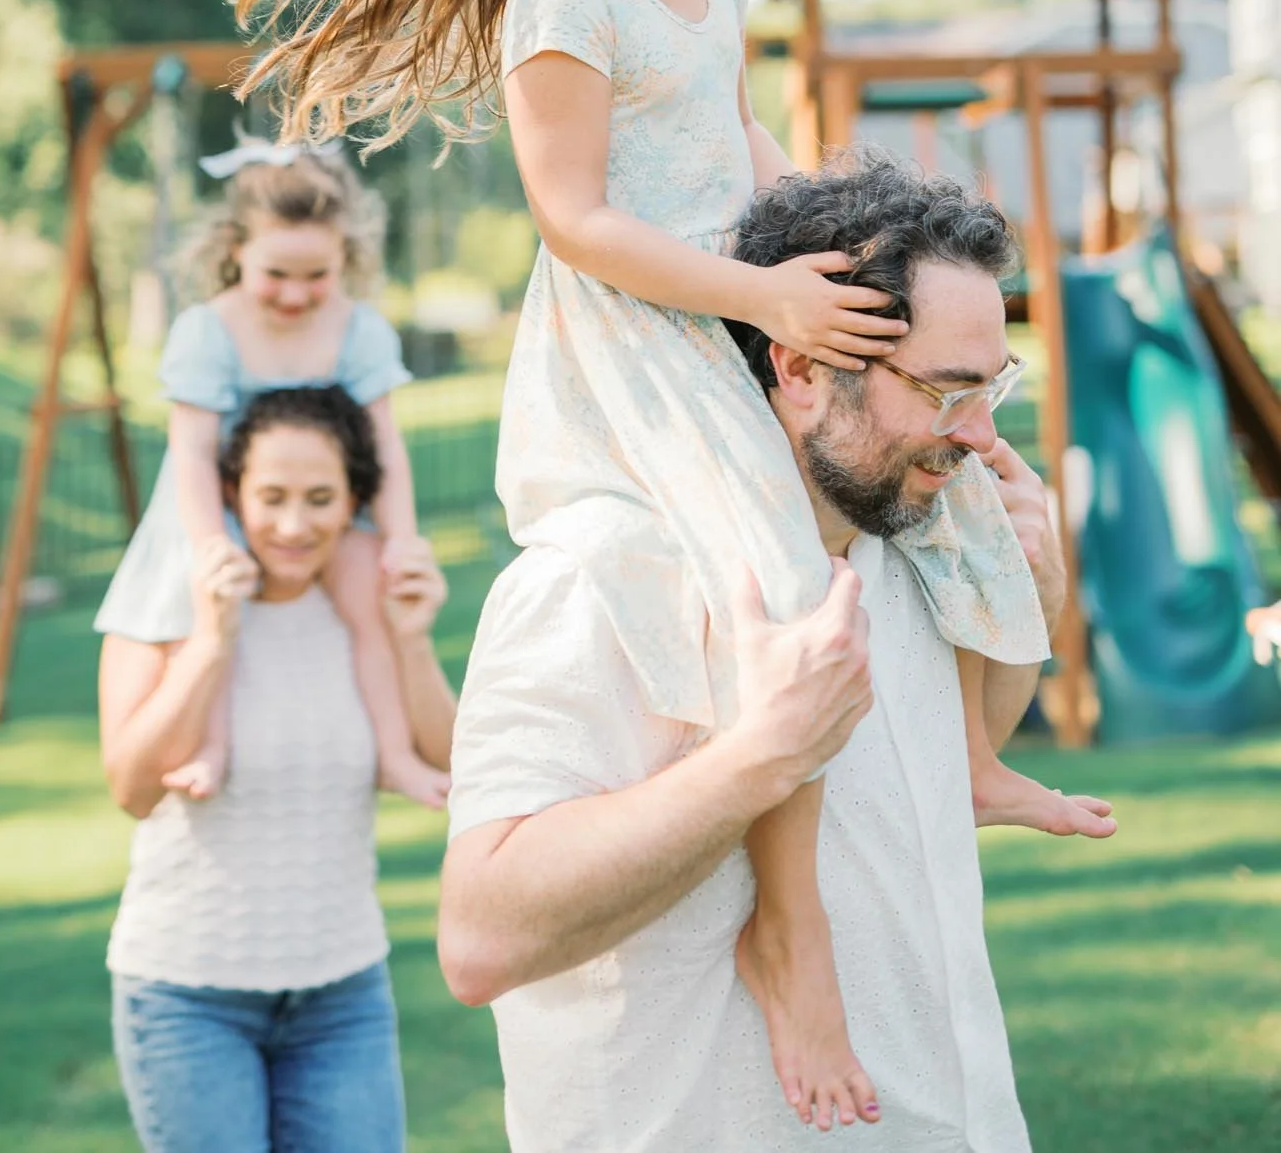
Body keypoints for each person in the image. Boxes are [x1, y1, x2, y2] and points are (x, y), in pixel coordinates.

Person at [236, 0, 1073, 1126]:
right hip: (642, 335)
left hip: (742, 299)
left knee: (956, 481)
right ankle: (788, 923)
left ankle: (971, 754)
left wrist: (838, 247)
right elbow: (576, 217)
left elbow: (740, 136)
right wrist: (756, 293)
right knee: (778, 574)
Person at [438, 153, 1113, 1151]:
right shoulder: (592, 585)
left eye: (992, 388)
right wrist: (758, 761)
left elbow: (933, 774)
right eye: (943, 390)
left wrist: (1038, 599)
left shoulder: (901, 547)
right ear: (800, 367)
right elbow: (481, 938)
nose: (976, 435)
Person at [100, 384, 457, 1153]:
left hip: (343, 993)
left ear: (356, 499)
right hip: (188, 997)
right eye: (271, 496)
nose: (294, 525)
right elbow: (130, 789)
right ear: (231, 492)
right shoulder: (164, 606)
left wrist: (415, 639)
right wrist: (211, 643)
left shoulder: (365, 607)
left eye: (321, 498)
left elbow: (449, 760)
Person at [95, 140, 447, 808]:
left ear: (348, 258)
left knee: (373, 598)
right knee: (204, 605)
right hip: (217, 507)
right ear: (236, 253)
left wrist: (400, 537)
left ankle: (396, 753)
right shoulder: (207, 330)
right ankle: (211, 745)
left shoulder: (359, 329)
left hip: (321, 506)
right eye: (276, 273)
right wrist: (211, 547)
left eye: (317, 274)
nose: (295, 294)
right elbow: (193, 455)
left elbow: (386, 447)